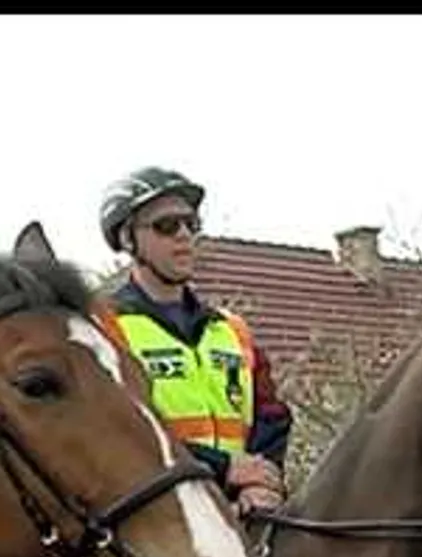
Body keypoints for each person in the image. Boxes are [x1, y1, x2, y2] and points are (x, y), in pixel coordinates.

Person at [95, 166, 292, 515]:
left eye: (191, 223)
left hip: (245, 508)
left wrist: (260, 480)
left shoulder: (231, 329)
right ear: (127, 239)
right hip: (157, 516)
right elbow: (116, 430)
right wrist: (223, 468)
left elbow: (272, 415)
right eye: (166, 226)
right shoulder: (106, 329)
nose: (184, 234)